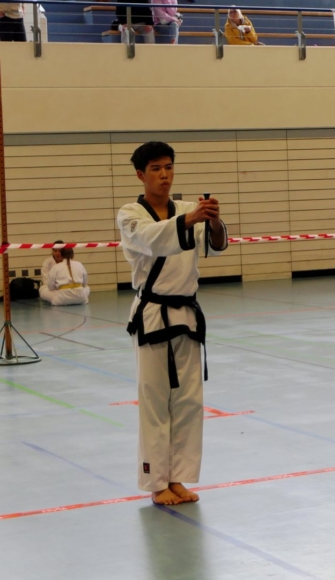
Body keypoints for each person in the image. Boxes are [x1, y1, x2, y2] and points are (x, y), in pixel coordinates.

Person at [116, 141, 229, 506]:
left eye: (168, 167)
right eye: (155, 169)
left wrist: (213, 220)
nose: (164, 175)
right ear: (140, 174)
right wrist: (191, 220)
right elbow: (151, 240)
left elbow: (214, 244)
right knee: (154, 402)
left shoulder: (186, 209)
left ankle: (177, 477)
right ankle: (156, 482)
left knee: (188, 402)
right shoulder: (130, 214)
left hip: (187, 314)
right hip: (152, 314)